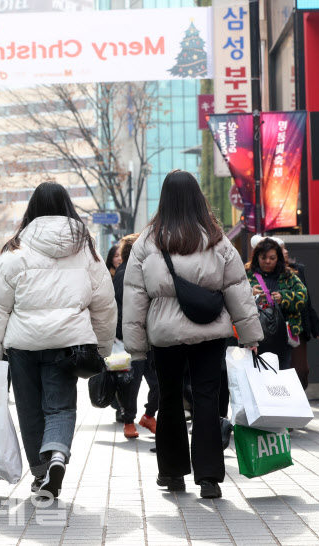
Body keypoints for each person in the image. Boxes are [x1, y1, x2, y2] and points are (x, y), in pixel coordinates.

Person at [122, 170, 263, 499]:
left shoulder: (147, 241)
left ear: (164, 199)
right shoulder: (215, 238)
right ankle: (210, 477)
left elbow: (134, 295)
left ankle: (172, 474)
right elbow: (236, 289)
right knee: (206, 399)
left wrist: (136, 347)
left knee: (169, 399)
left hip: (165, 333)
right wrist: (249, 335)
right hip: (210, 331)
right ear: (199, 197)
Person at [0, 181, 117, 499]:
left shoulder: (15, 250)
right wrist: (103, 346)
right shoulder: (86, 251)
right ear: (68, 207)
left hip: (23, 345)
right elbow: (104, 304)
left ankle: (40, 477)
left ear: (32, 210)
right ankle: (56, 453)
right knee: (60, 408)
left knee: (29, 410)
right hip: (68, 343)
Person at [112, 232, 159, 439]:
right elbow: (123, 309)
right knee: (134, 382)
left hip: (150, 336)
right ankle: (129, 420)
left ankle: (149, 415)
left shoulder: (143, 270)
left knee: (157, 382)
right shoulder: (124, 274)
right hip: (133, 337)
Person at [246, 237, 307, 371]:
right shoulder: (247, 275)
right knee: (258, 374)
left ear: (278, 258)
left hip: (284, 336)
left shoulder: (288, 275)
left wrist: (283, 297)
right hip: (255, 336)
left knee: (282, 373)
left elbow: (302, 297)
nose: (267, 261)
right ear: (257, 257)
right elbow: (233, 298)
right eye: (263, 258)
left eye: (272, 258)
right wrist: (250, 293)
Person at [282, 243, 319, 389]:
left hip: (297, 327)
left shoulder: (297, 270)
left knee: (302, 370)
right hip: (277, 328)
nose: (285, 251)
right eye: (281, 249)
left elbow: (306, 300)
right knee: (286, 368)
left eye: (285, 248)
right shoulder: (263, 275)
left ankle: (299, 396)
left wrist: (314, 324)